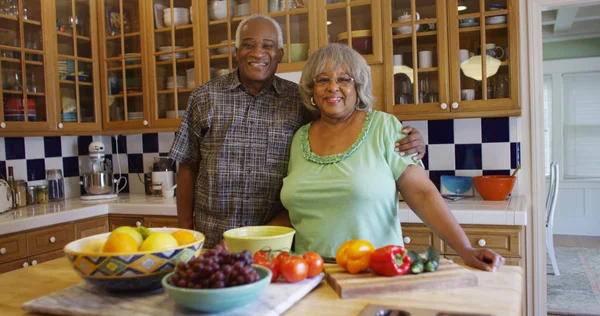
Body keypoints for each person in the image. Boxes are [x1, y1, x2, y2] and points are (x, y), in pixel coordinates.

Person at [169, 14, 426, 248]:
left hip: (276, 241)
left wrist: (411, 141)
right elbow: (187, 165)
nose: (258, 52)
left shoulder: (299, 101)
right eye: (248, 44)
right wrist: (186, 231)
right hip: (212, 236)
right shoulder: (205, 96)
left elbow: (344, 122)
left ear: (280, 53)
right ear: (237, 52)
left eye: (268, 45)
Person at [278, 43, 505, 271]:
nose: (333, 87)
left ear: (359, 87)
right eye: (323, 80)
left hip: (376, 270)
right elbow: (296, 210)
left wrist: (465, 249)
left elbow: (422, 193)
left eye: (344, 79)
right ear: (312, 89)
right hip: (309, 273)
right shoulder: (299, 137)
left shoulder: (384, 127)